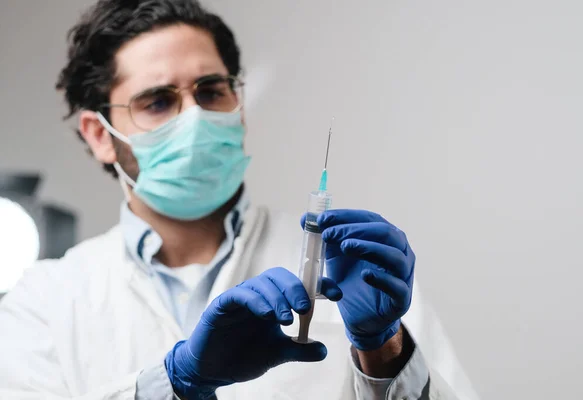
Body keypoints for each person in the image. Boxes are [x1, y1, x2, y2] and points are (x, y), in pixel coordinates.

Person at [0, 1, 478, 399]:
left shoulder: (349, 270)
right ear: (98, 134)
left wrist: (383, 350)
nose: (196, 119)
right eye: (158, 101)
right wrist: (175, 382)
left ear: (239, 104)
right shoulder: (45, 302)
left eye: (211, 92)